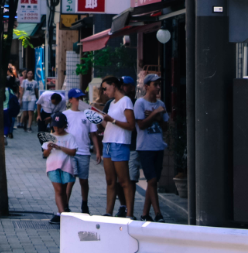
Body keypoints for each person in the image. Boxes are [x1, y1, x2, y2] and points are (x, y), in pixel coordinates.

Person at [99, 74, 136, 218]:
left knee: (123, 180)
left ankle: (129, 214)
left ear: (114, 85)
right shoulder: (113, 102)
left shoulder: (125, 101)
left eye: (105, 88)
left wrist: (112, 120)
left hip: (120, 143)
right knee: (110, 180)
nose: (104, 92)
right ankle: (108, 212)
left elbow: (131, 125)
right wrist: (99, 119)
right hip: (107, 141)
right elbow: (109, 123)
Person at [134, 74, 170, 221]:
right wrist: (154, 114)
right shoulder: (140, 104)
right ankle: (158, 213)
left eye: (159, 84)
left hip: (158, 146)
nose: (158, 87)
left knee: (152, 182)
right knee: (152, 180)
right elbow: (141, 125)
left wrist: (158, 117)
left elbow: (166, 126)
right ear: (147, 86)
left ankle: (144, 214)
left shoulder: (161, 104)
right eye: (155, 84)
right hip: (145, 147)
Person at [63, 88, 101, 214]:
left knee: (83, 180)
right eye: (77, 98)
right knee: (70, 179)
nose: (80, 100)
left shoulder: (88, 114)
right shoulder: (66, 115)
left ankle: (84, 204)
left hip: (84, 151)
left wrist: (98, 151)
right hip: (70, 151)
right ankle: (65, 206)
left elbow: (93, 134)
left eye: (81, 98)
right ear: (71, 100)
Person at [41, 112, 79, 224]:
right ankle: (63, 214)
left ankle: (61, 212)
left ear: (64, 125)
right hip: (53, 166)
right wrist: (48, 149)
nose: (57, 128)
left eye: (59, 126)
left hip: (66, 165)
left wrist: (60, 147)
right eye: (55, 125)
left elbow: (73, 152)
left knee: (63, 190)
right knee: (58, 189)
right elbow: (45, 154)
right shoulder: (50, 137)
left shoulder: (70, 137)